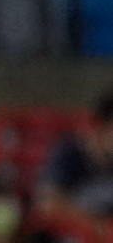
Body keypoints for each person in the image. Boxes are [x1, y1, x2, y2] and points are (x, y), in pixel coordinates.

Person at [36, 91, 113, 222]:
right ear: (100, 127)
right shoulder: (69, 154)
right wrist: (92, 222)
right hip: (74, 230)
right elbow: (47, 203)